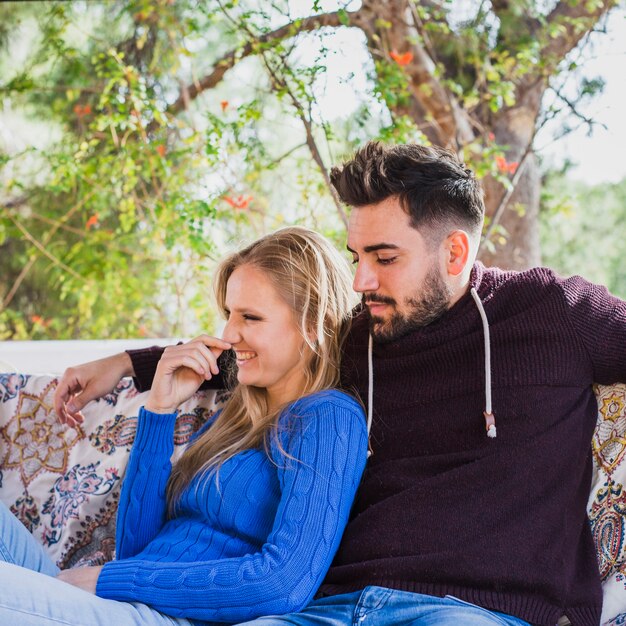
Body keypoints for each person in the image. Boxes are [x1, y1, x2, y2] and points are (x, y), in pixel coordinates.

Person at [53, 142, 626, 626]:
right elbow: (251, 349)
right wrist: (127, 363)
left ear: (454, 251)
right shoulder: (357, 338)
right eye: (356, 256)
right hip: (332, 608)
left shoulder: (553, 312)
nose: (360, 280)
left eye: (384, 257)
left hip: (470, 611)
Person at [0, 227, 369, 625]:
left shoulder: (329, 418)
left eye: (251, 317)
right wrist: (160, 409)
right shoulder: (235, 416)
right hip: (117, 604)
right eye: (229, 314)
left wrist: (111, 580)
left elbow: (282, 584)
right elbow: (136, 549)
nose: (229, 334)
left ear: (313, 323)